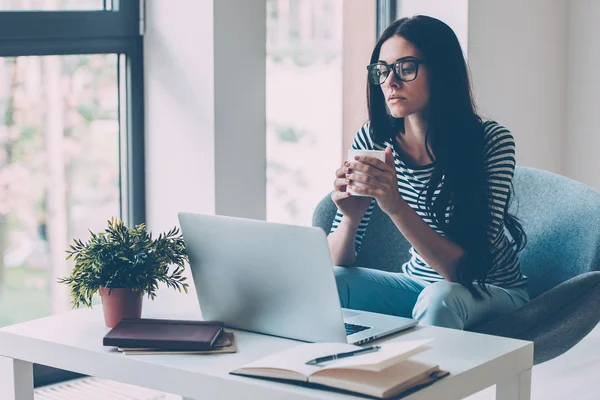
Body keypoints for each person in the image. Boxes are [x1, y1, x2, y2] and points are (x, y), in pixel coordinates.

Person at [327, 15, 530, 330]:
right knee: (333, 284)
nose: (390, 82)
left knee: (440, 298)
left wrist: (395, 206)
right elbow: (334, 263)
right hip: (418, 286)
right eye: (382, 71)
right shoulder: (373, 139)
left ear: (442, 71)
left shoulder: (490, 141)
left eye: (406, 68)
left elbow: (462, 273)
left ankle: (424, 379)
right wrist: (351, 217)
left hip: (491, 290)